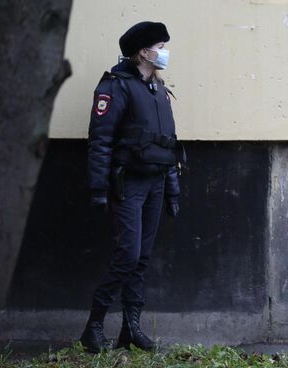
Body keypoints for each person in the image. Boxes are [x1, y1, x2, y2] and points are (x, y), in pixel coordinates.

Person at [80, 21, 182, 353]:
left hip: (155, 183)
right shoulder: (116, 86)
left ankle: (130, 327)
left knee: (142, 258)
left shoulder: (158, 89)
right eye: (161, 46)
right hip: (128, 184)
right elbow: (101, 141)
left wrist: (173, 190)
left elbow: (168, 145)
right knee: (128, 255)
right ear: (143, 51)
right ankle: (93, 326)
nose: (165, 51)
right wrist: (98, 189)